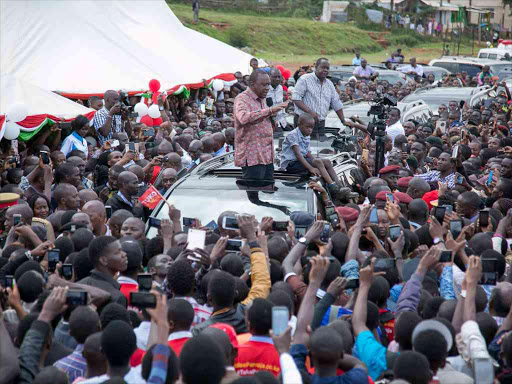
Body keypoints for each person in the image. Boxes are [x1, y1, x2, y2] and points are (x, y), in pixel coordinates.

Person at [233, 69, 288, 181]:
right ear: (252, 84)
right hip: (253, 157)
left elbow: (265, 122)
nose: (267, 88)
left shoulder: (263, 99)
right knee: (254, 191)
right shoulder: (242, 99)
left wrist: (273, 118)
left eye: (268, 84)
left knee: (268, 190)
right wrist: (270, 110)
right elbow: (244, 118)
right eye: (263, 85)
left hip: (267, 155)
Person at [292, 58, 350, 141]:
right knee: (303, 148)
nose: (325, 70)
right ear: (316, 67)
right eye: (323, 67)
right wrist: (310, 112)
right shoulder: (305, 79)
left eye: (327, 68)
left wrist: (343, 120)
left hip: (321, 123)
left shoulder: (329, 84)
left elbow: (336, 103)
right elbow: (296, 98)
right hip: (304, 122)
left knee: (320, 149)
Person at [280, 113, 339, 193]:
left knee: (327, 162)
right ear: (299, 125)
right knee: (317, 161)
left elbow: (307, 153)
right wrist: (311, 168)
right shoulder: (293, 135)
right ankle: (332, 185)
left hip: (300, 162)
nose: (310, 130)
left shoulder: (306, 135)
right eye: (307, 127)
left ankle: (338, 185)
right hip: (290, 165)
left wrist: (317, 161)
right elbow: (298, 155)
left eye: (311, 127)